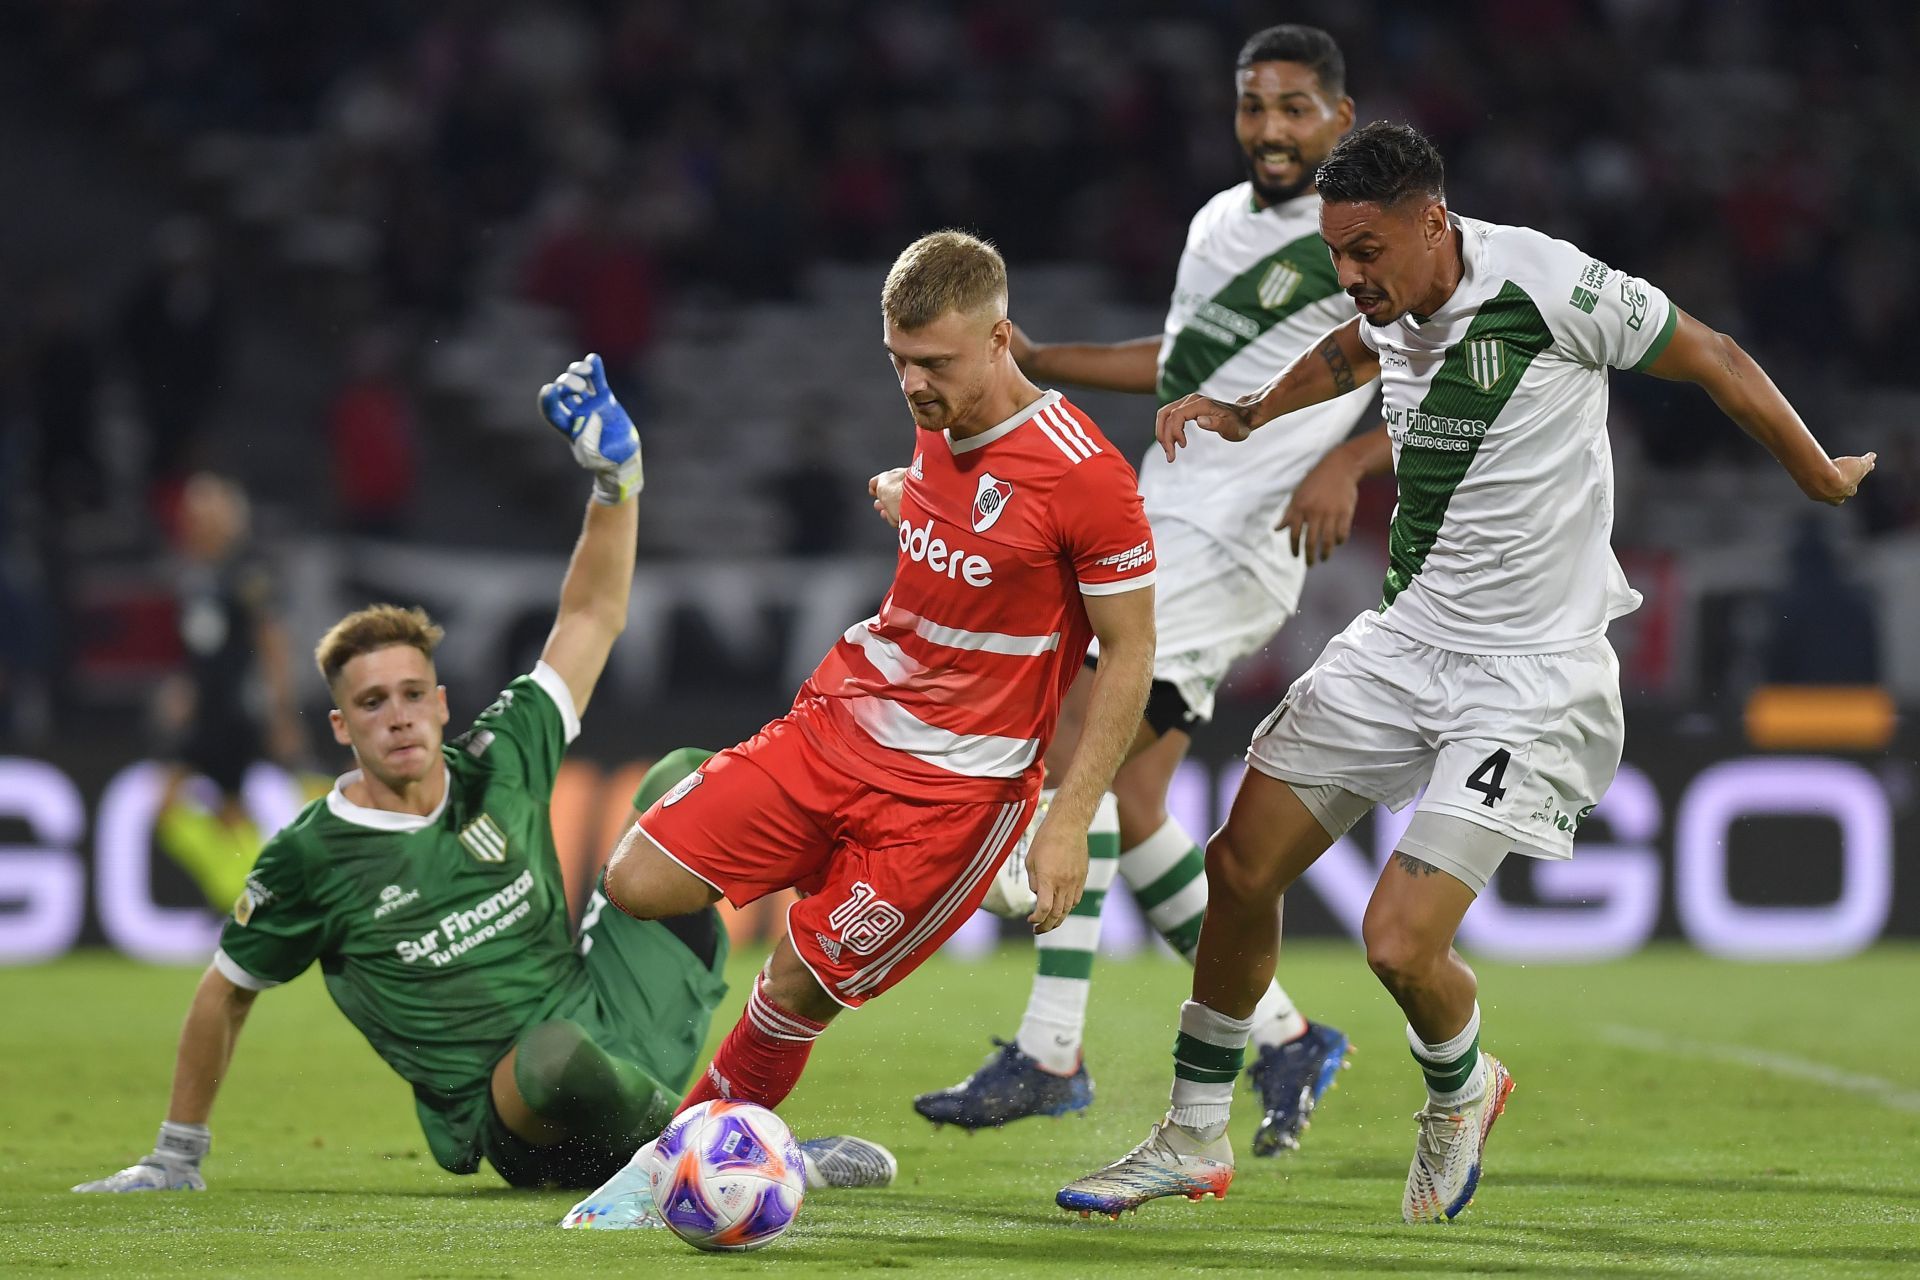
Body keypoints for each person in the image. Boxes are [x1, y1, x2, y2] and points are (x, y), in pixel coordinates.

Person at [1056, 122, 1874, 1224]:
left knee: (1398, 940)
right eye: (1336, 256)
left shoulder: (1548, 284)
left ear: (1432, 223)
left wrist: (1816, 471)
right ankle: (1193, 1135)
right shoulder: (1382, 308)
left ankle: (1461, 1087)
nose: (1349, 278)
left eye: (1366, 252)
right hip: (1404, 643)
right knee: (1240, 869)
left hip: (1528, 676)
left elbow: (1716, 356)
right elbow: (1353, 352)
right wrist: (1253, 412)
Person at [74, 355, 890, 1202]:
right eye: (370, 703)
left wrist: (617, 484)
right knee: (554, 1057)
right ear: (340, 727)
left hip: (610, 999)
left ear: (439, 703)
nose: (394, 715)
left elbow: (590, 615)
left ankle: (862, 920)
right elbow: (226, 991)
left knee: (686, 779)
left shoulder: (500, 756)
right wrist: (176, 1154)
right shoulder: (311, 857)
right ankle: (747, 1145)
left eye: (409, 695)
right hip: (528, 1108)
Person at [561, 230, 1157, 1227]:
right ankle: (778, 1140)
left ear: (1002, 337)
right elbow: (956, 496)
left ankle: (673, 1165)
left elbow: (1130, 651)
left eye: (937, 363)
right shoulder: (936, 427)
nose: (916, 385)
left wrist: (1069, 816)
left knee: (797, 977)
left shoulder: (1088, 477)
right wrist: (905, 489)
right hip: (835, 729)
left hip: (952, 799)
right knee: (634, 879)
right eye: (900, 361)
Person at [882, 26, 1390, 1156]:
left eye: (1296, 108)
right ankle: (1288, 1035)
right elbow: (1184, 368)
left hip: (1242, 538)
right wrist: (1037, 359)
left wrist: (1345, 459)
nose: (1271, 128)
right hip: (1166, 512)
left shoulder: (1367, 235)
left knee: (1077, 747)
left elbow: (1449, 364)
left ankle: (1053, 1047)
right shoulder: (1218, 224)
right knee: (1137, 801)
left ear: (1341, 119)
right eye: (1255, 106)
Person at [151, 472, 305, 911]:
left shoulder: (248, 570)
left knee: (213, 810)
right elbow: (200, 650)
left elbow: (273, 640)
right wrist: (184, 690)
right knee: (217, 814)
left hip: (238, 712)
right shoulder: (195, 574)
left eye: (204, 513)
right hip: (206, 713)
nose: (193, 522)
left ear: (230, 518)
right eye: (191, 514)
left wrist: (280, 709)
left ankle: (245, 895)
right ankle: (242, 895)